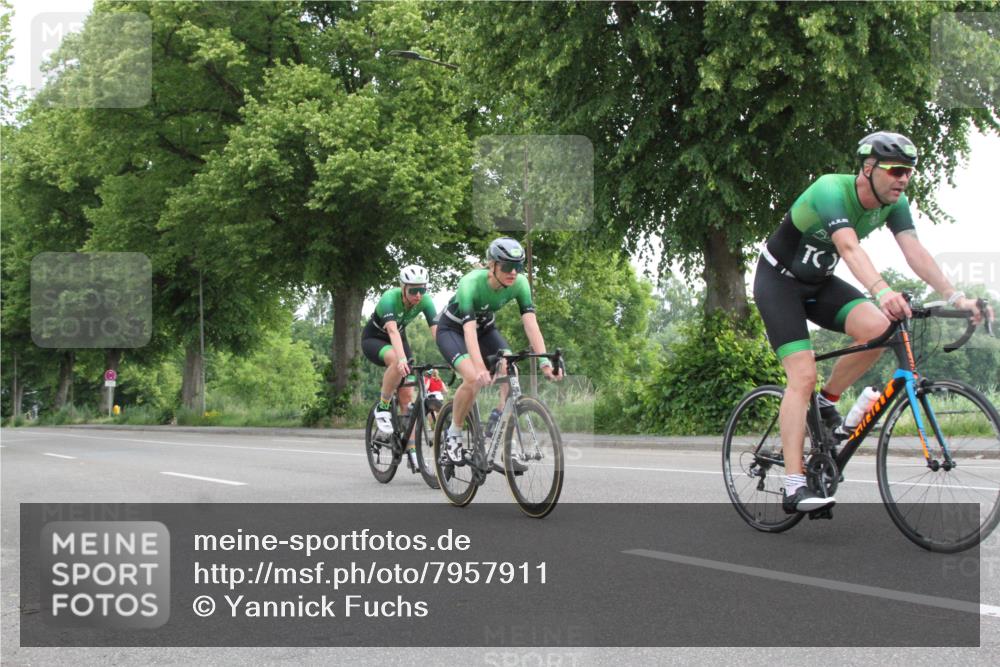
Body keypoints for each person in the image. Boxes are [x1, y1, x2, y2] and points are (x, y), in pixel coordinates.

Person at [753, 130, 991, 514]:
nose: (903, 178)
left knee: (880, 329)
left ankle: (828, 402)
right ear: (868, 169)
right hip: (778, 282)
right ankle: (794, 486)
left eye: (909, 172)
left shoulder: (894, 203)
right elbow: (848, 247)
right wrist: (881, 290)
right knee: (801, 376)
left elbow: (914, 251)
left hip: (818, 282)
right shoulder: (831, 190)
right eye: (896, 170)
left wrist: (955, 296)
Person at [436, 237, 562, 464]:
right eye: (507, 266)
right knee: (473, 378)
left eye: (519, 266)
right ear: (492, 265)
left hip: (485, 328)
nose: (513, 272)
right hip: (452, 330)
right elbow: (469, 331)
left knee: (509, 367)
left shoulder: (520, 284)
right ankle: (452, 435)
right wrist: (480, 367)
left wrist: (545, 362)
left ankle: (500, 429)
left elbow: (531, 324)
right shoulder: (470, 283)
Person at [362, 265, 437, 467]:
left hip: (399, 341)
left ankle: (411, 449)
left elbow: (437, 331)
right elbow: (393, 332)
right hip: (375, 339)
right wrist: (402, 360)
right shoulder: (389, 298)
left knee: (407, 398)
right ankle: (384, 405)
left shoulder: (425, 301)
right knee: (397, 361)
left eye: (423, 289)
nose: (418, 295)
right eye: (413, 290)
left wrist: (451, 356)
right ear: (403, 288)